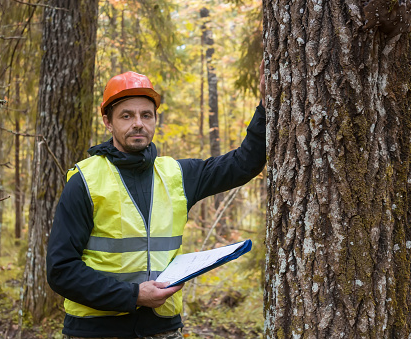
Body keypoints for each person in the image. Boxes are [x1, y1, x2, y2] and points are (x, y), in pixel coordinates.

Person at [46, 62, 266, 339]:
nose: (138, 122)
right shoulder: (85, 181)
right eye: (126, 115)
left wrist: (265, 107)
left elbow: (243, 164)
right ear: (108, 122)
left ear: (154, 120)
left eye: (146, 115)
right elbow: (61, 270)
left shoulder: (177, 174)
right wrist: (133, 295)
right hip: (95, 331)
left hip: (162, 329)